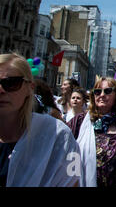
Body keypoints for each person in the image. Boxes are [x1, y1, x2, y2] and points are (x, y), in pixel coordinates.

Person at [0, 53, 80, 186]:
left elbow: (72, 180)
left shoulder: (58, 135)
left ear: (29, 88)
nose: (1, 90)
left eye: (11, 83)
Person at [67, 77, 116, 187]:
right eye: (97, 92)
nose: (102, 95)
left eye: (107, 91)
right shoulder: (79, 121)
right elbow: (65, 149)